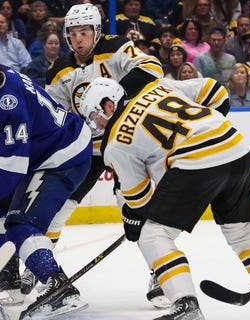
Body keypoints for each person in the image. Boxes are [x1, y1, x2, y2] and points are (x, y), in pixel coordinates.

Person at [79, 77, 250, 320]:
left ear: (108, 105)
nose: (97, 126)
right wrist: (208, 130)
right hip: (234, 145)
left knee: (154, 235)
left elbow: (139, 200)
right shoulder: (155, 87)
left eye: (95, 117)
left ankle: (185, 305)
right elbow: (215, 91)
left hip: (195, 163)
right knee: (242, 231)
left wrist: (133, 221)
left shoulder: (115, 142)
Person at [0, 48, 92, 318]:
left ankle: (59, 287)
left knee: (22, 224)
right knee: (0, 202)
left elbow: (12, 168)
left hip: (62, 157)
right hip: (43, 153)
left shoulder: (8, 103)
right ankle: (7, 275)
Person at [44, 3, 168, 308]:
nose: (79, 39)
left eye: (85, 32)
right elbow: (54, 116)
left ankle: (162, 273)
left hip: (124, 142)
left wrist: (114, 92)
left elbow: (153, 69)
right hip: (85, 148)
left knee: (135, 209)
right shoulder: (60, 69)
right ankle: (45, 274)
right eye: (73, 33)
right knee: (57, 207)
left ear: (97, 32)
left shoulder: (115, 48)